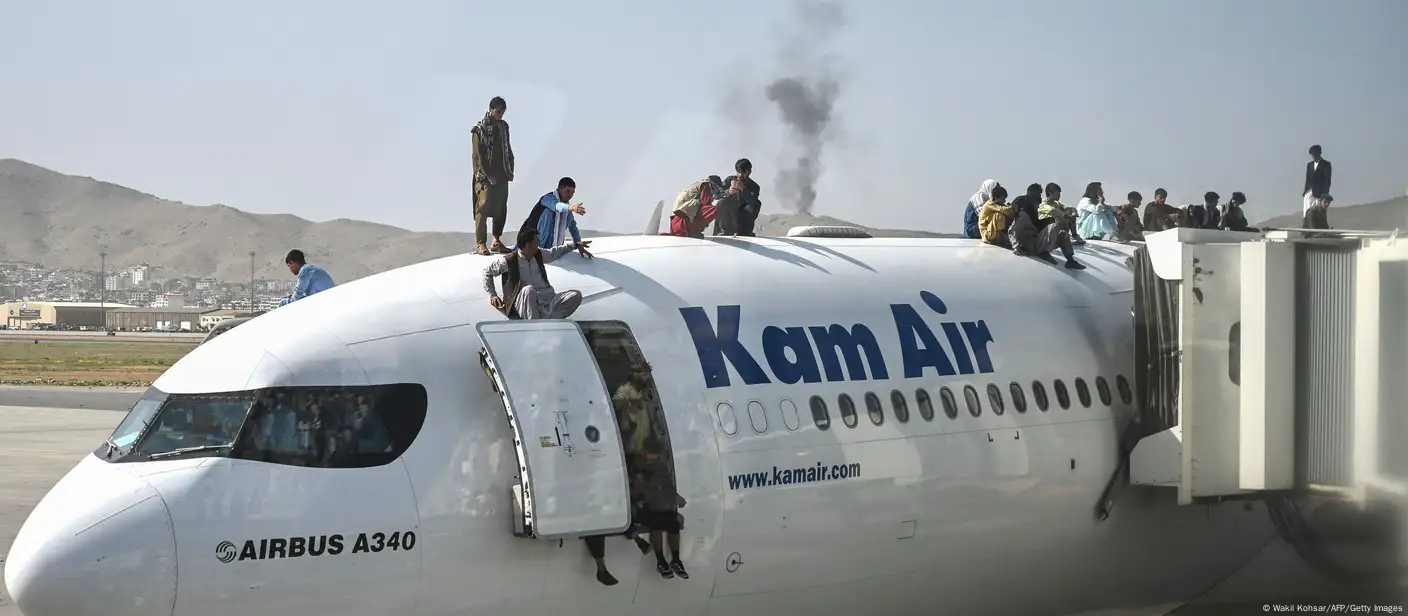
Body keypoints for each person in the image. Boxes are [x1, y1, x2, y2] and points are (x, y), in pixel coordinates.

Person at [615, 373, 688, 580]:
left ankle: (675, 558)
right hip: (646, 500)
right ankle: (661, 560)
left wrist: (673, 496)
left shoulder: (656, 462)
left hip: (657, 498)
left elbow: (663, 480)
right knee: (658, 520)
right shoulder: (636, 455)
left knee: (672, 522)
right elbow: (640, 484)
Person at [482, 228, 592, 320]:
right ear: (528, 244)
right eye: (536, 241)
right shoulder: (509, 260)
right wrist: (493, 295)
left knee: (575, 295)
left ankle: (546, 320)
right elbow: (487, 271)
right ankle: (535, 326)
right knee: (529, 290)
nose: (538, 243)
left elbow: (554, 252)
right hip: (525, 302)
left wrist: (575, 245)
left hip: (547, 300)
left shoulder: (538, 254)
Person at [471, 96, 515, 256]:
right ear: (490, 110)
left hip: (502, 173)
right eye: (498, 111)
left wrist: (510, 168)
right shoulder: (479, 129)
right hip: (484, 176)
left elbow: (507, 148)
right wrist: (488, 175)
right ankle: (480, 243)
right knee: (483, 208)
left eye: (502, 112)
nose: (500, 115)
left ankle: (496, 240)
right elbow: (478, 156)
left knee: (501, 208)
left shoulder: (504, 127)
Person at [1010, 184, 1085, 270]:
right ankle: (1042, 252)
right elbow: (1012, 229)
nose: (1040, 197)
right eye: (1038, 193)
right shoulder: (1023, 215)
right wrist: (1016, 246)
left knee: (1062, 233)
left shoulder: (1036, 208)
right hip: (1029, 245)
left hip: (1037, 239)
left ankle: (1070, 260)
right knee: (1056, 226)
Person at [518, 177, 587, 246]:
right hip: (529, 244)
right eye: (567, 191)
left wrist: (579, 245)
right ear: (559, 189)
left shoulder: (567, 208)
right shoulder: (547, 199)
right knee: (549, 212)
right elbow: (556, 206)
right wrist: (571, 207)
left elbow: (573, 227)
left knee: (568, 215)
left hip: (552, 251)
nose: (570, 196)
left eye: (572, 193)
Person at [714, 158, 763, 236]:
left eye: (743, 172)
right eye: (738, 172)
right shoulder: (729, 180)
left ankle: (745, 232)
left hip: (743, 218)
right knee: (722, 202)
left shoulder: (754, 186)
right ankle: (724, 230)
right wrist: (728, 191)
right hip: (729, 217)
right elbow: (716, 195)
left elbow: (753, 203)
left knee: (757, 203)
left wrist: (743, 189)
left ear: (749, 172)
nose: (740, 175)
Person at [1303, 144, 1332, 215]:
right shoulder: (1309, 165)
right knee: (1307, 211)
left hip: (1320, 194)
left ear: (1319, 154)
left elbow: (1327, 181)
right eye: (1312, 155)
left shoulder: (1326, 164)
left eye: (1315, 154)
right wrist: (1305, 191)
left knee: (1318, 213)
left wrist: (1325, 194)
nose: (1313, 156)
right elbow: (1307, 179)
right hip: (1309, 192)